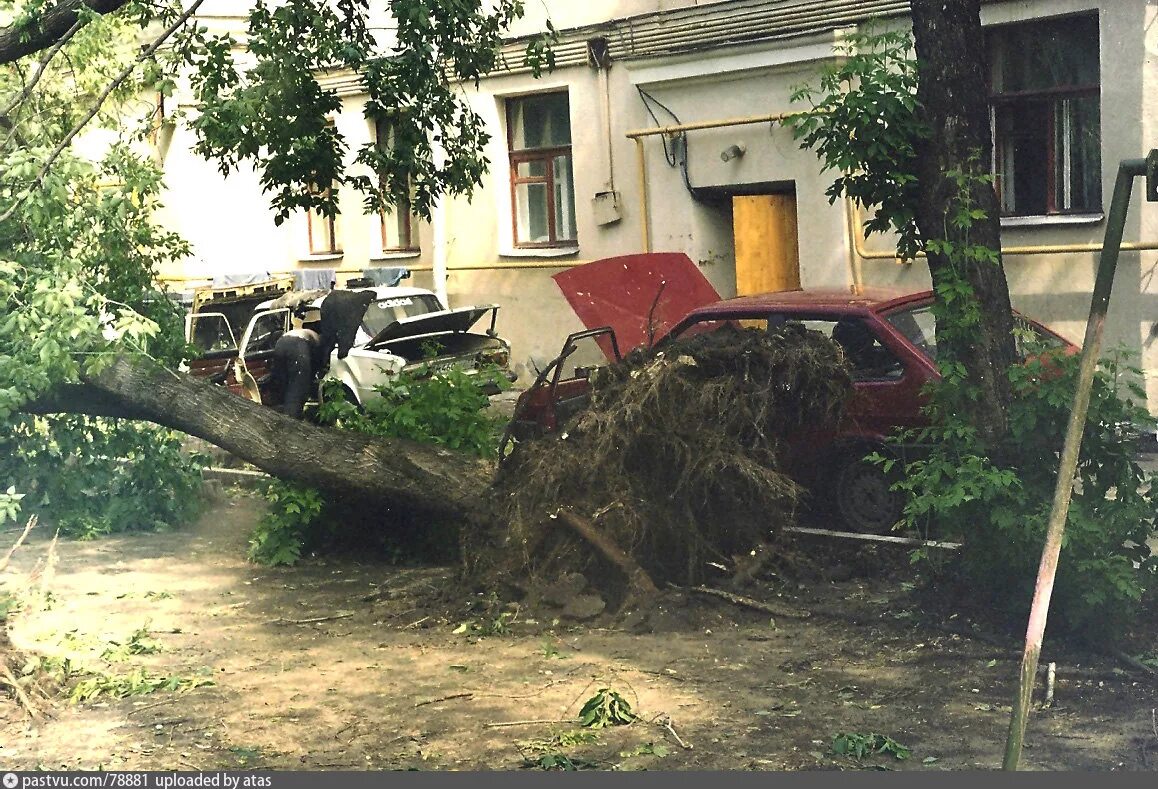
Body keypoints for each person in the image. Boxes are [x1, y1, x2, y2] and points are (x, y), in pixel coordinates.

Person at [270, 327, 321, 418]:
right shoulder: (318, 340)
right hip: (297, 344)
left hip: (280, 343)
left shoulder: (304, 332)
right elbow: (316, 362)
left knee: (285, 384)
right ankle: (292, 420)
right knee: (298, 386)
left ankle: (281, 413)